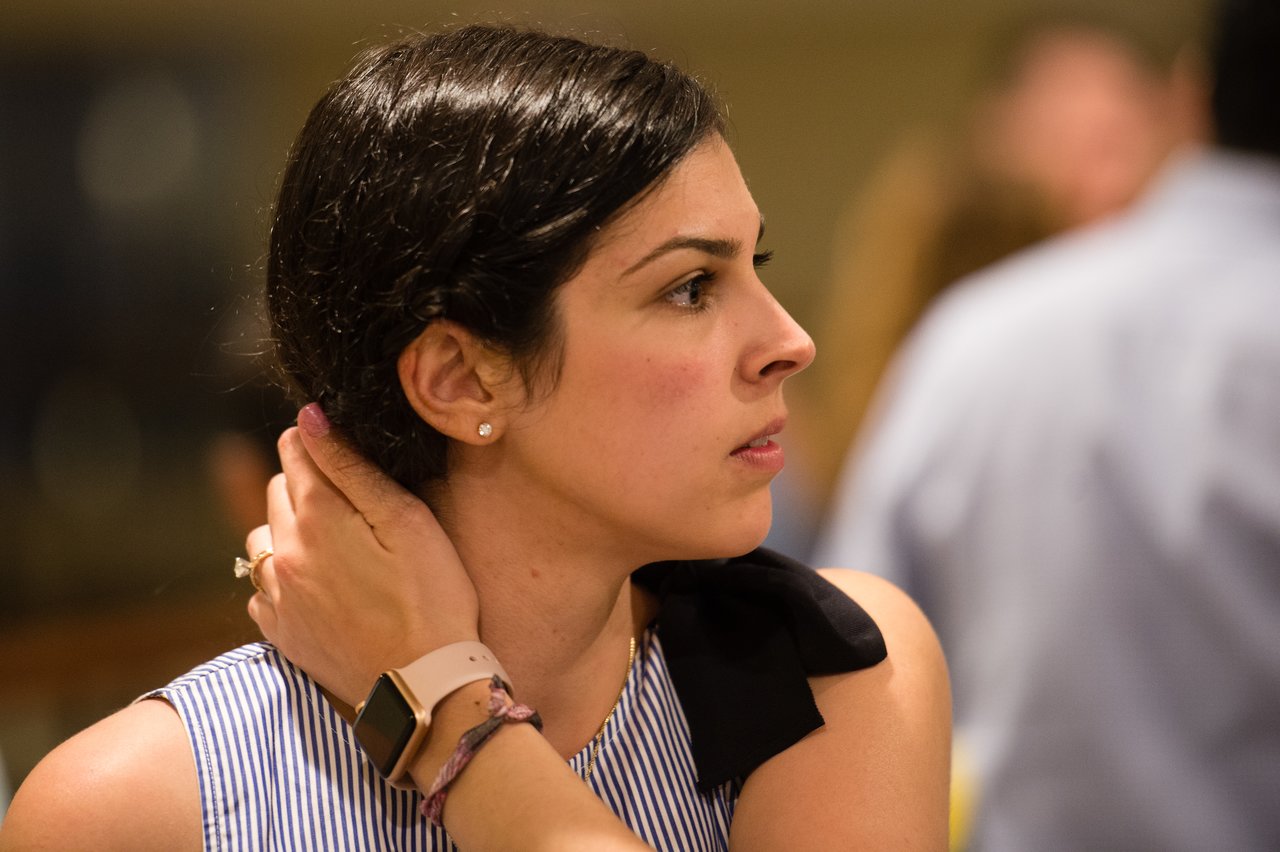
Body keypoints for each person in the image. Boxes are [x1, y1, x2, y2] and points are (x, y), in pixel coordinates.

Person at [1, 25, 950, 851]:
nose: (791, 342)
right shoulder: (137, 809)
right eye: (690, 287)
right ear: (459, 379)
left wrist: (454, 716)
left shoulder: (833, 670)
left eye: (757, 265)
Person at [816, 0, 1280, 848]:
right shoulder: (964, 338)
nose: (1092, 181)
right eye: (1064, 145)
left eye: (1112, 143)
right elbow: (850, 655)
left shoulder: (978, 340)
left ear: (1184, 104)